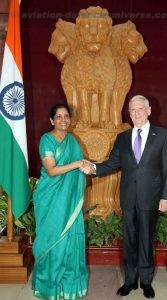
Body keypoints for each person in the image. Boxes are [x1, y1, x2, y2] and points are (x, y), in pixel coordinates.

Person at [81, 95, 167, 298]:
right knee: (130, 240)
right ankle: (130, 281)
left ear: (149, 110)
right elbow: (112, 162)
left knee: (146, 240)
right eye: (132, 110)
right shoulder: (122, 138)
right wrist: (93, 168)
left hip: (151, 196)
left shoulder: (163, 135)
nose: (136, 113)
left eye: (140, 109)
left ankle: (146, 282)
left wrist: (166, 196)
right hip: (128, 197)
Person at [32, 103, 88, 300]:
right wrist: (78, 164)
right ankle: (50, 286)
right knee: (53, 242)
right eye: (59, 117)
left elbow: (78, 171)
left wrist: (86, 167)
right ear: (51, 120)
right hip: (50, 199)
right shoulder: (46, 140)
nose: (63, 120)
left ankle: (69, 285)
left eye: (66, 116)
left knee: (70, 240)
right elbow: (51, 170)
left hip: (68, 201)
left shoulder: (73, 141)